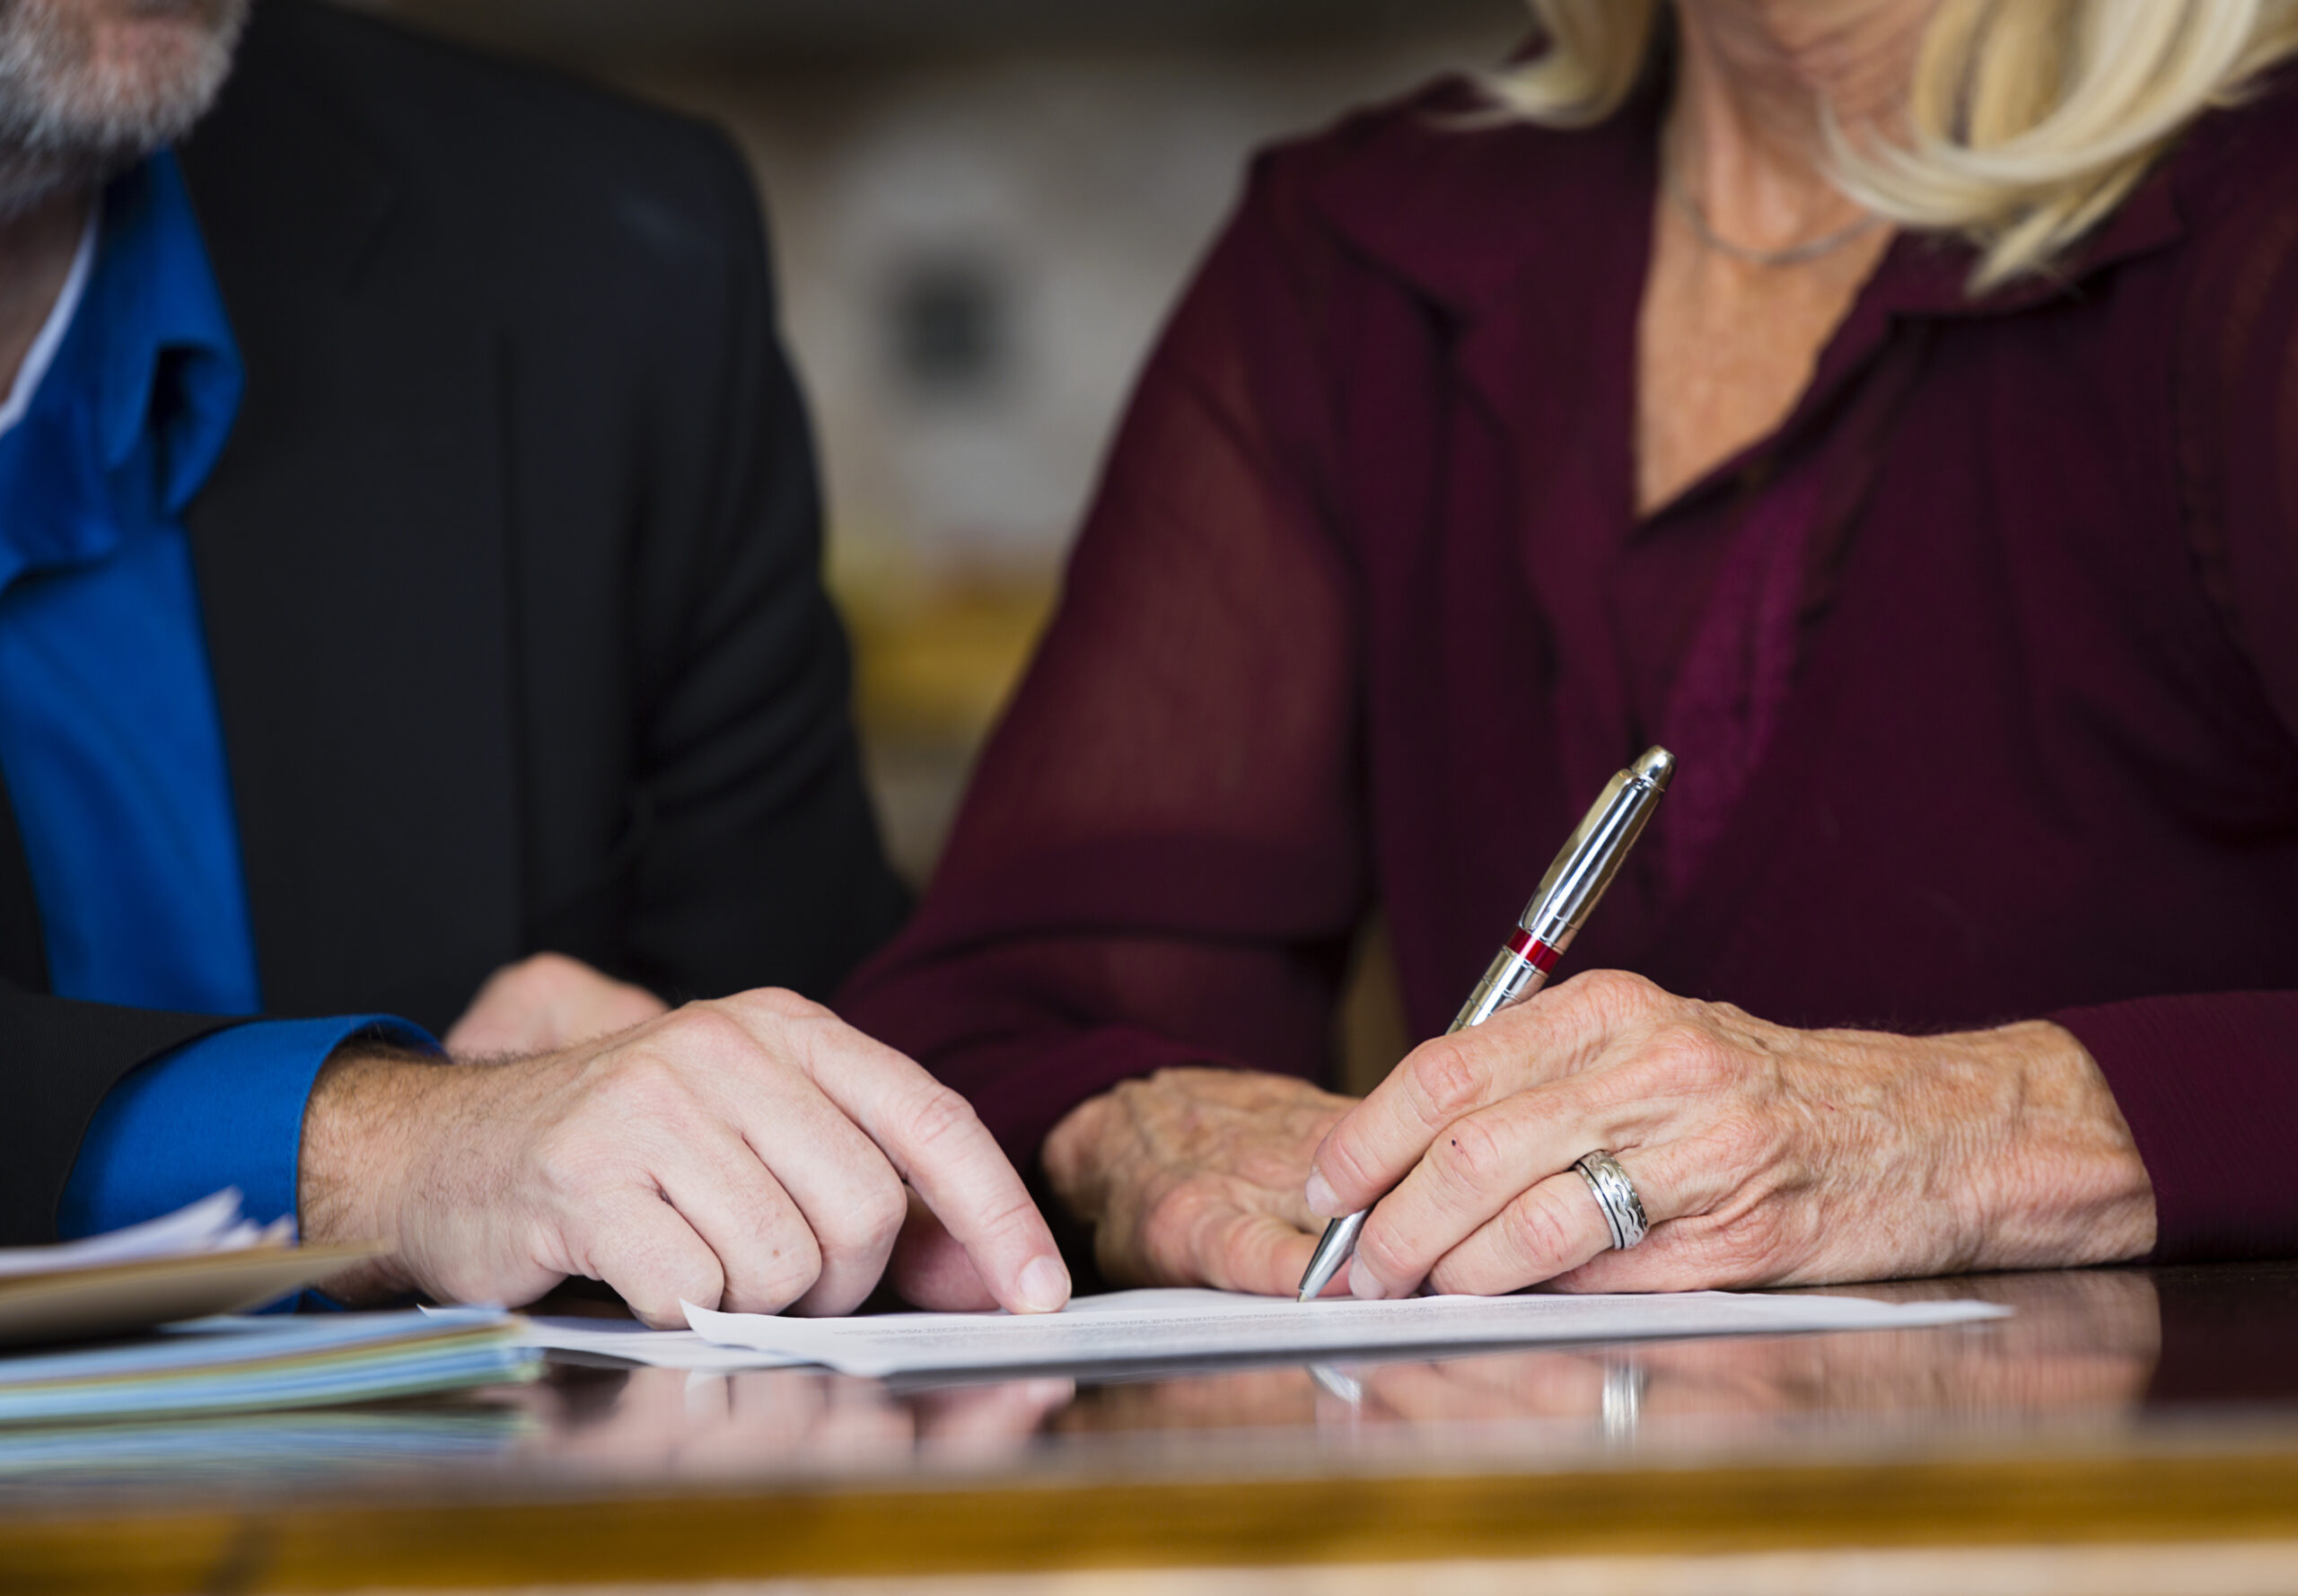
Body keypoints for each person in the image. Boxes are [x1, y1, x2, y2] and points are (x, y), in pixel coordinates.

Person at [838, 0, 2298, 1300]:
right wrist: (1142, 1131)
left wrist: (1974, 1131)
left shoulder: (2257, 223)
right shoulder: (1364, 248)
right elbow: (998, 1021)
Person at [0, 0, 1071, 1324]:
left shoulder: (607, 251)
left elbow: (841, 1043)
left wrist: (699, 1110)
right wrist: (387, 1147)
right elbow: (442, 1150)